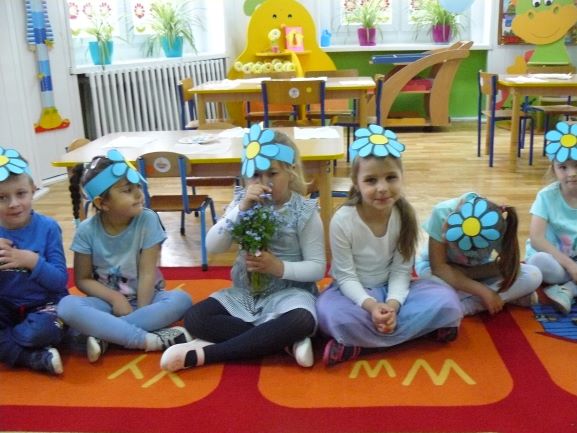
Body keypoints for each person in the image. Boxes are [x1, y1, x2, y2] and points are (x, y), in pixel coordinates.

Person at [160, 124, 326, 371]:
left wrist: (279, 267)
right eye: (256, 175)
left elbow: (317, 268)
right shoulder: (242, 203)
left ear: (290, 171)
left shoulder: (304, 211)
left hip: (290, 295)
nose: (264, 182)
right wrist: (240, 210)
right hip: (246, 294)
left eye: (272, 174)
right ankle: (283, 341)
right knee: (195, 318)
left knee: (302, 320)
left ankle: (207, 354)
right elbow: (213, 245)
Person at [315, 125, 463, 367]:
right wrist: (372, 306)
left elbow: (401, 271)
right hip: (354, 295)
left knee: (448, 300)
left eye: (391, 177)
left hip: (394, 290)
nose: (382, 188)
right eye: (371, 180)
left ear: (401, 177)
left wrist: (392, 305)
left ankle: (357, 343)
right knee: (328, 313)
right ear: (356, 183)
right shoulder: (342, 220)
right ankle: (413, 333)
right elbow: (345, 276)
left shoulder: (404, 215)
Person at [57, 149, 193, 363]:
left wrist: (143, 308)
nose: (139, 194)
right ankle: (146, 339)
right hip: (106, 303)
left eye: (137, 186)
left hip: (148, 299)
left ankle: (106, 336)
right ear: (102, 203)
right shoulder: (86, 230)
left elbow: (147, 273)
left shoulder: (148, 220)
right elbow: (82, 279)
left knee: (181, 299)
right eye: (128, 190)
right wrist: (116, 298)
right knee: (66, 306)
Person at [416, 192, 542, 316]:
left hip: (476, 271)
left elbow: (510, 264)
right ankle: (499, 297)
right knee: (430, 281)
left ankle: (462, 306)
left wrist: (469, 275)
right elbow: (439, 268)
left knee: (533, 274)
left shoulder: (496, 226)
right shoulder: (441, 212)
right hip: (441, 270)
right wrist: (483, 291)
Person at [0, 147, 68, 375]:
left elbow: (59, 282)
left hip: (45, 304)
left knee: (41, 331)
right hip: (6, 306)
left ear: (33, 190)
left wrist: (32, 261)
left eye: (21, 194)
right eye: (2, 198)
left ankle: (17, 345)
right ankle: (33, 357)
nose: (13, 204)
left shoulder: (48, 228)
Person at [526, 121, 577, 314]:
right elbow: (537, 239)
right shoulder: (546, 196)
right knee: (538, 263)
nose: (572, 174)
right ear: (553, 169)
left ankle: (568, 290)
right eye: (563, 167)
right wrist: (570, 265)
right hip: (554, 261)